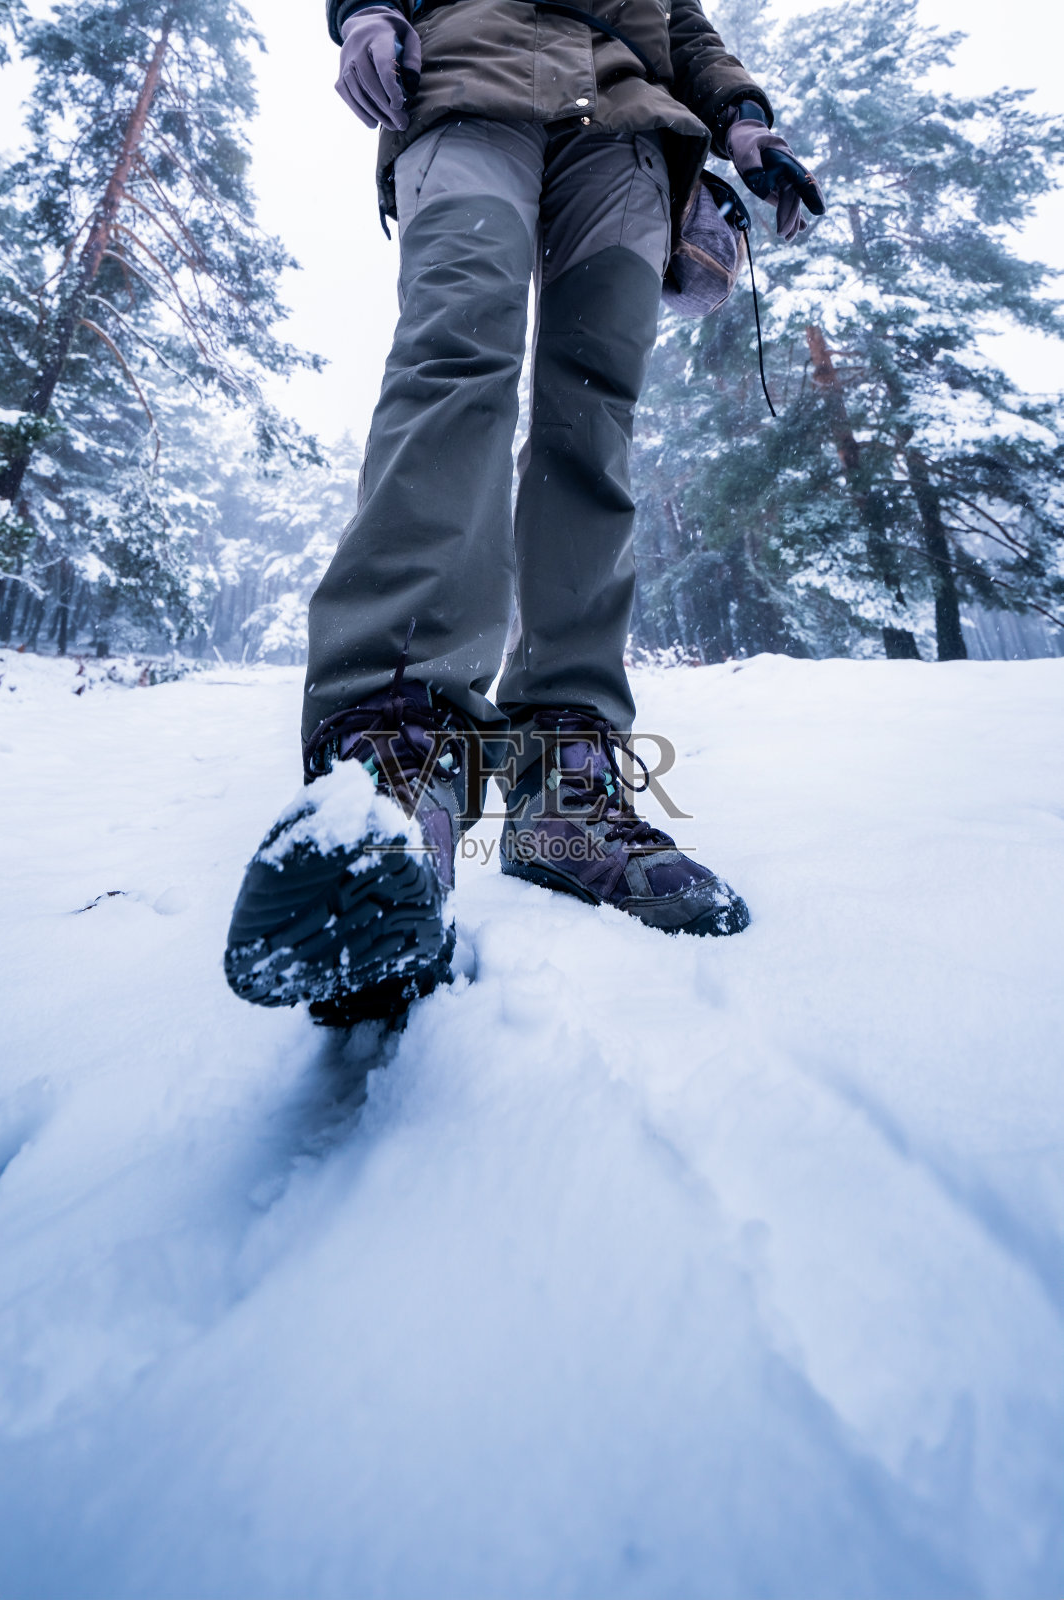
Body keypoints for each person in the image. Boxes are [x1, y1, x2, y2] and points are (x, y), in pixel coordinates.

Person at [224, 0, 823, 1024]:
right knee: (456, 352)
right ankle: (392, 771)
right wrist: (366, 13)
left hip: (628, 136)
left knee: (593, 418)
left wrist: (741, 118)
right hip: (465, 81)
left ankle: (565, 791)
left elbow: (682, 31)